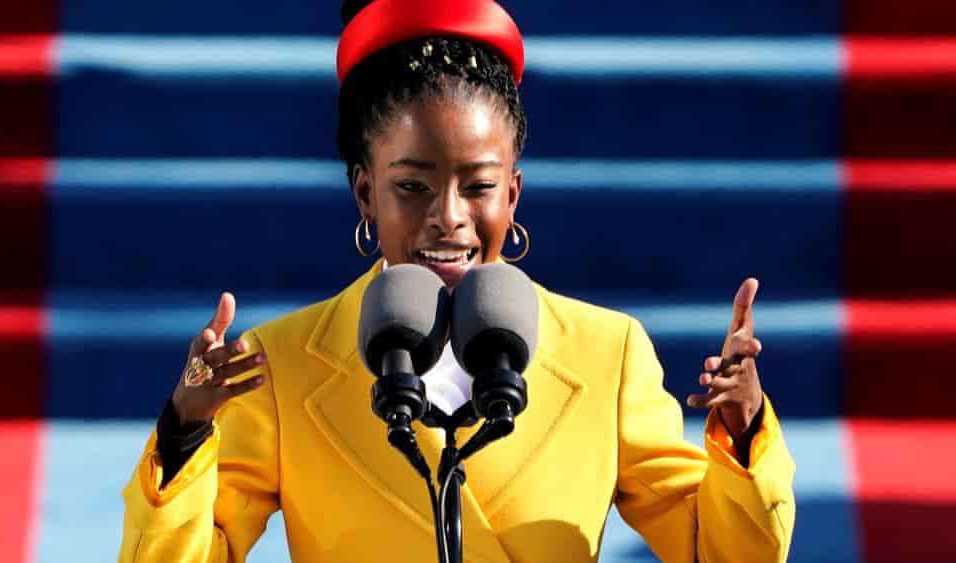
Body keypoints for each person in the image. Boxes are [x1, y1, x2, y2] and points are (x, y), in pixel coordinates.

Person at [117, 1, 796, 561]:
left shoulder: (606, 354)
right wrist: (184, 432)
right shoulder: (284, 364)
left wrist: (743, 433)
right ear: (365, 192)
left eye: (478, 186)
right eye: (412, 186)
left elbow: (723, 554)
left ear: (513, 194)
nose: (449, 217)